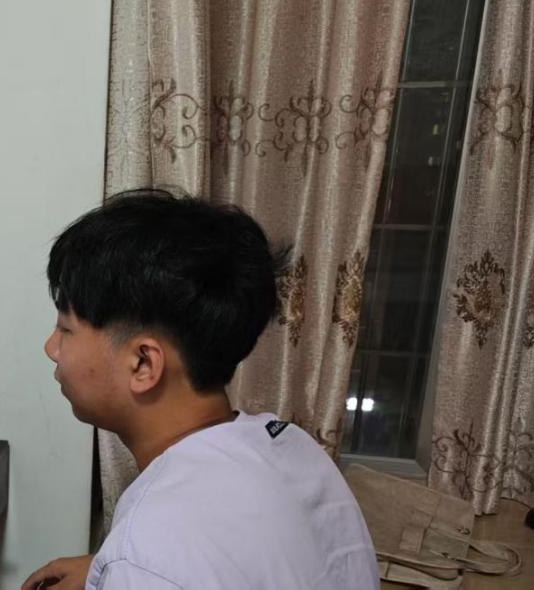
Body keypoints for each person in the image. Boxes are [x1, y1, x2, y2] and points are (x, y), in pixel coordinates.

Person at [22, 190, 378, 590]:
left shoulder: (150, 554)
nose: (51, 348)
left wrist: (135, 570)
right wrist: (108, 569)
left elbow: (169, 562)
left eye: (66, 329)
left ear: (143, 363)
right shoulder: (290, 444)